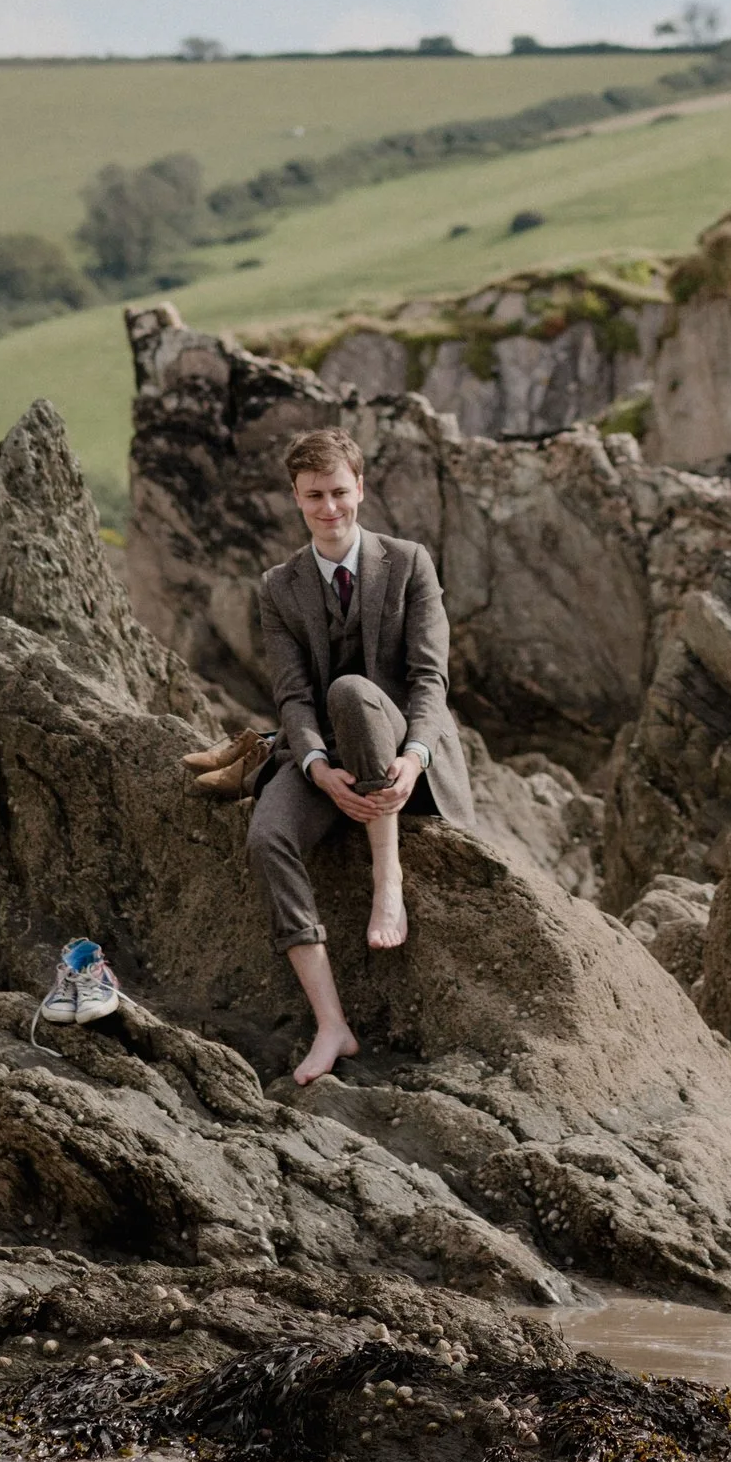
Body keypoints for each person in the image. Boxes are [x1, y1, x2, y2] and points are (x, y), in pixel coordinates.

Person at [245, 423, 476, 1085]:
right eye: (314, 495)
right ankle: (331, 1024)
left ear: (361, 489)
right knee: (267, 838)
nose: (329, 509)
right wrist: (317, 768)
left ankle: (387, 879)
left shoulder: (407, 562)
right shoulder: (279, 586)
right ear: (295, 495)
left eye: (339, 492)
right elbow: (290, 698)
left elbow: (431, 679)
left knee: (351, 690)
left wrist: (417, 755)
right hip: (324, 759)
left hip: (404, 747)